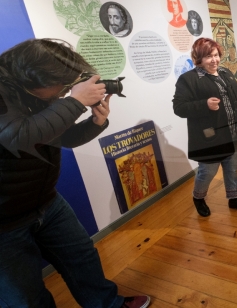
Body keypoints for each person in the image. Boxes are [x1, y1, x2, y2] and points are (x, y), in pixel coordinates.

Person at [0, 39, 149, 307]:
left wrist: (96, 122)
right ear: (35, 77)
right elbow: (19, 137)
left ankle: (108, 305)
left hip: (46, 201)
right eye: (63, 86)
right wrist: (76, 101)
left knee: (82, 258)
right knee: (25, 295)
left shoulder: (35, 93)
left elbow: (61, 137)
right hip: (4, 219)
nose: (65, 91)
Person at [173, 38, 237, 217]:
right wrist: (204, 105)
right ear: (198, 58)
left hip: (232, 132)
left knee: (232, 169)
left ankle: (234, 198)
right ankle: (198, 197)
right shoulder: (189, 79)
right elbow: (178, 107)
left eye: (216, 55)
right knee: (207, 172)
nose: (214, 60)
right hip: (209, 138)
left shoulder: (225, 72)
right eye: (208, 56)